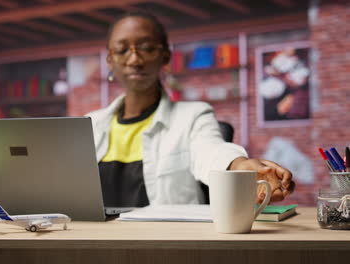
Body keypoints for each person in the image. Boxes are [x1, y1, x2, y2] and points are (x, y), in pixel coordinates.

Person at [86, 12, 295, 208]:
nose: (134, 60)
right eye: (122, 50)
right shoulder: (89, 124)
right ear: (110, 60)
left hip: (166, 241)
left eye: (147, 48)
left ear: (165, 56)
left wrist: (241, 167)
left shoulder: (193, 116)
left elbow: (211, 152)